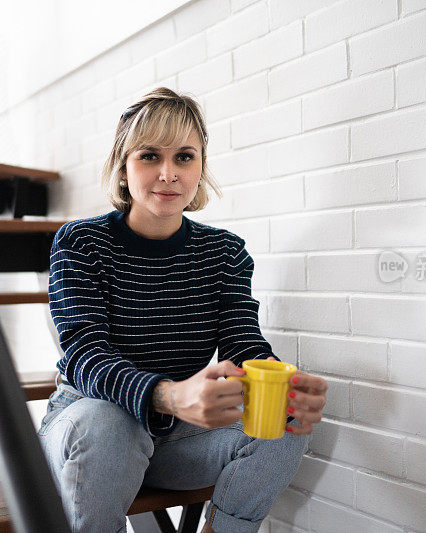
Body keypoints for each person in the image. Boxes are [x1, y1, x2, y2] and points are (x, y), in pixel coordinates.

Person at [38, 87, 328, 533]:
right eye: (150, 156)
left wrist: (280, 384)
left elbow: (243, 344)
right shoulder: (82, 243)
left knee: (286, 424)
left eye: (185, 157)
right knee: (111, 423)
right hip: (90, 426)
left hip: (173, 440)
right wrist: (170, 395)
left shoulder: (224, 252)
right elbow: (84, 355)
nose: (169, 173)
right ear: (123, 166)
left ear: (200, 168)